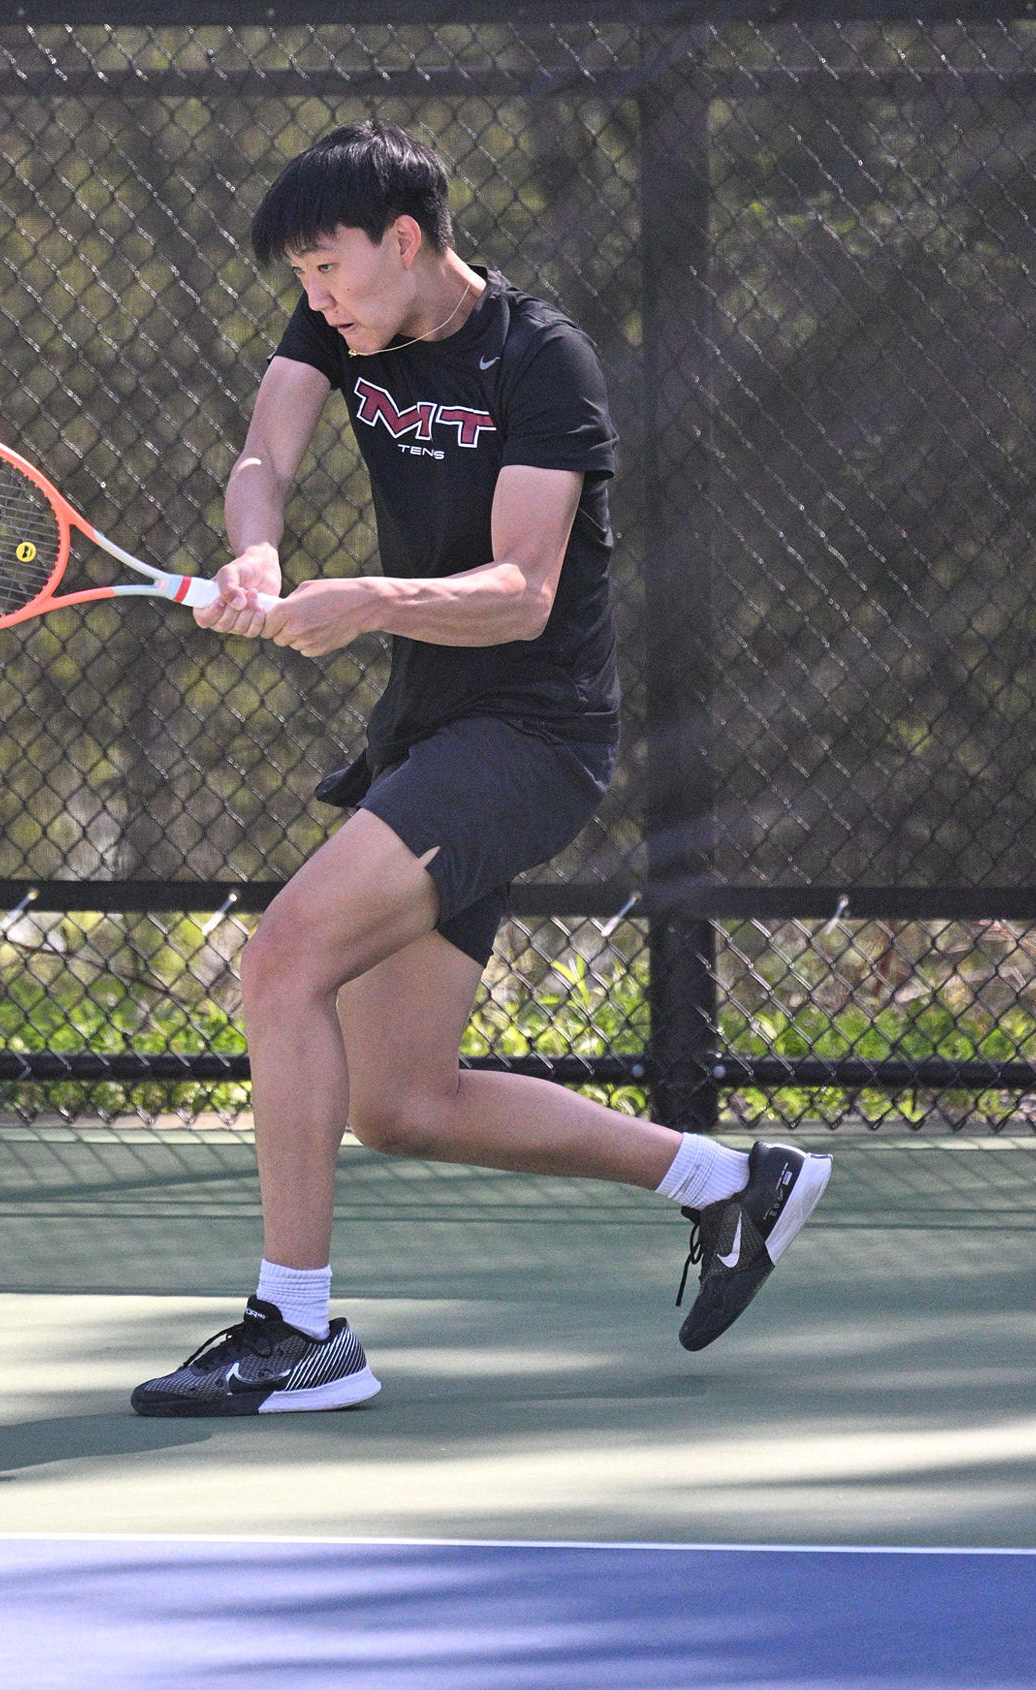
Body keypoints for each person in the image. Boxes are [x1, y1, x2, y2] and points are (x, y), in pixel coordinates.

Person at [130, 122, 829, 1418]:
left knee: (284, 959)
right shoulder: (337, 331)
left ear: (405, 241)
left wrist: (363, 599)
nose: (315, 299)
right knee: (400, 1099)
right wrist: (259, 556)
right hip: (431, 737)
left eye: (329, 267)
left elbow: (520, 593)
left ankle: (294, 1329)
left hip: (531, 735)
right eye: (301, 278)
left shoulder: (539, 358)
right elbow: (263, 456)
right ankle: (729, 1184)